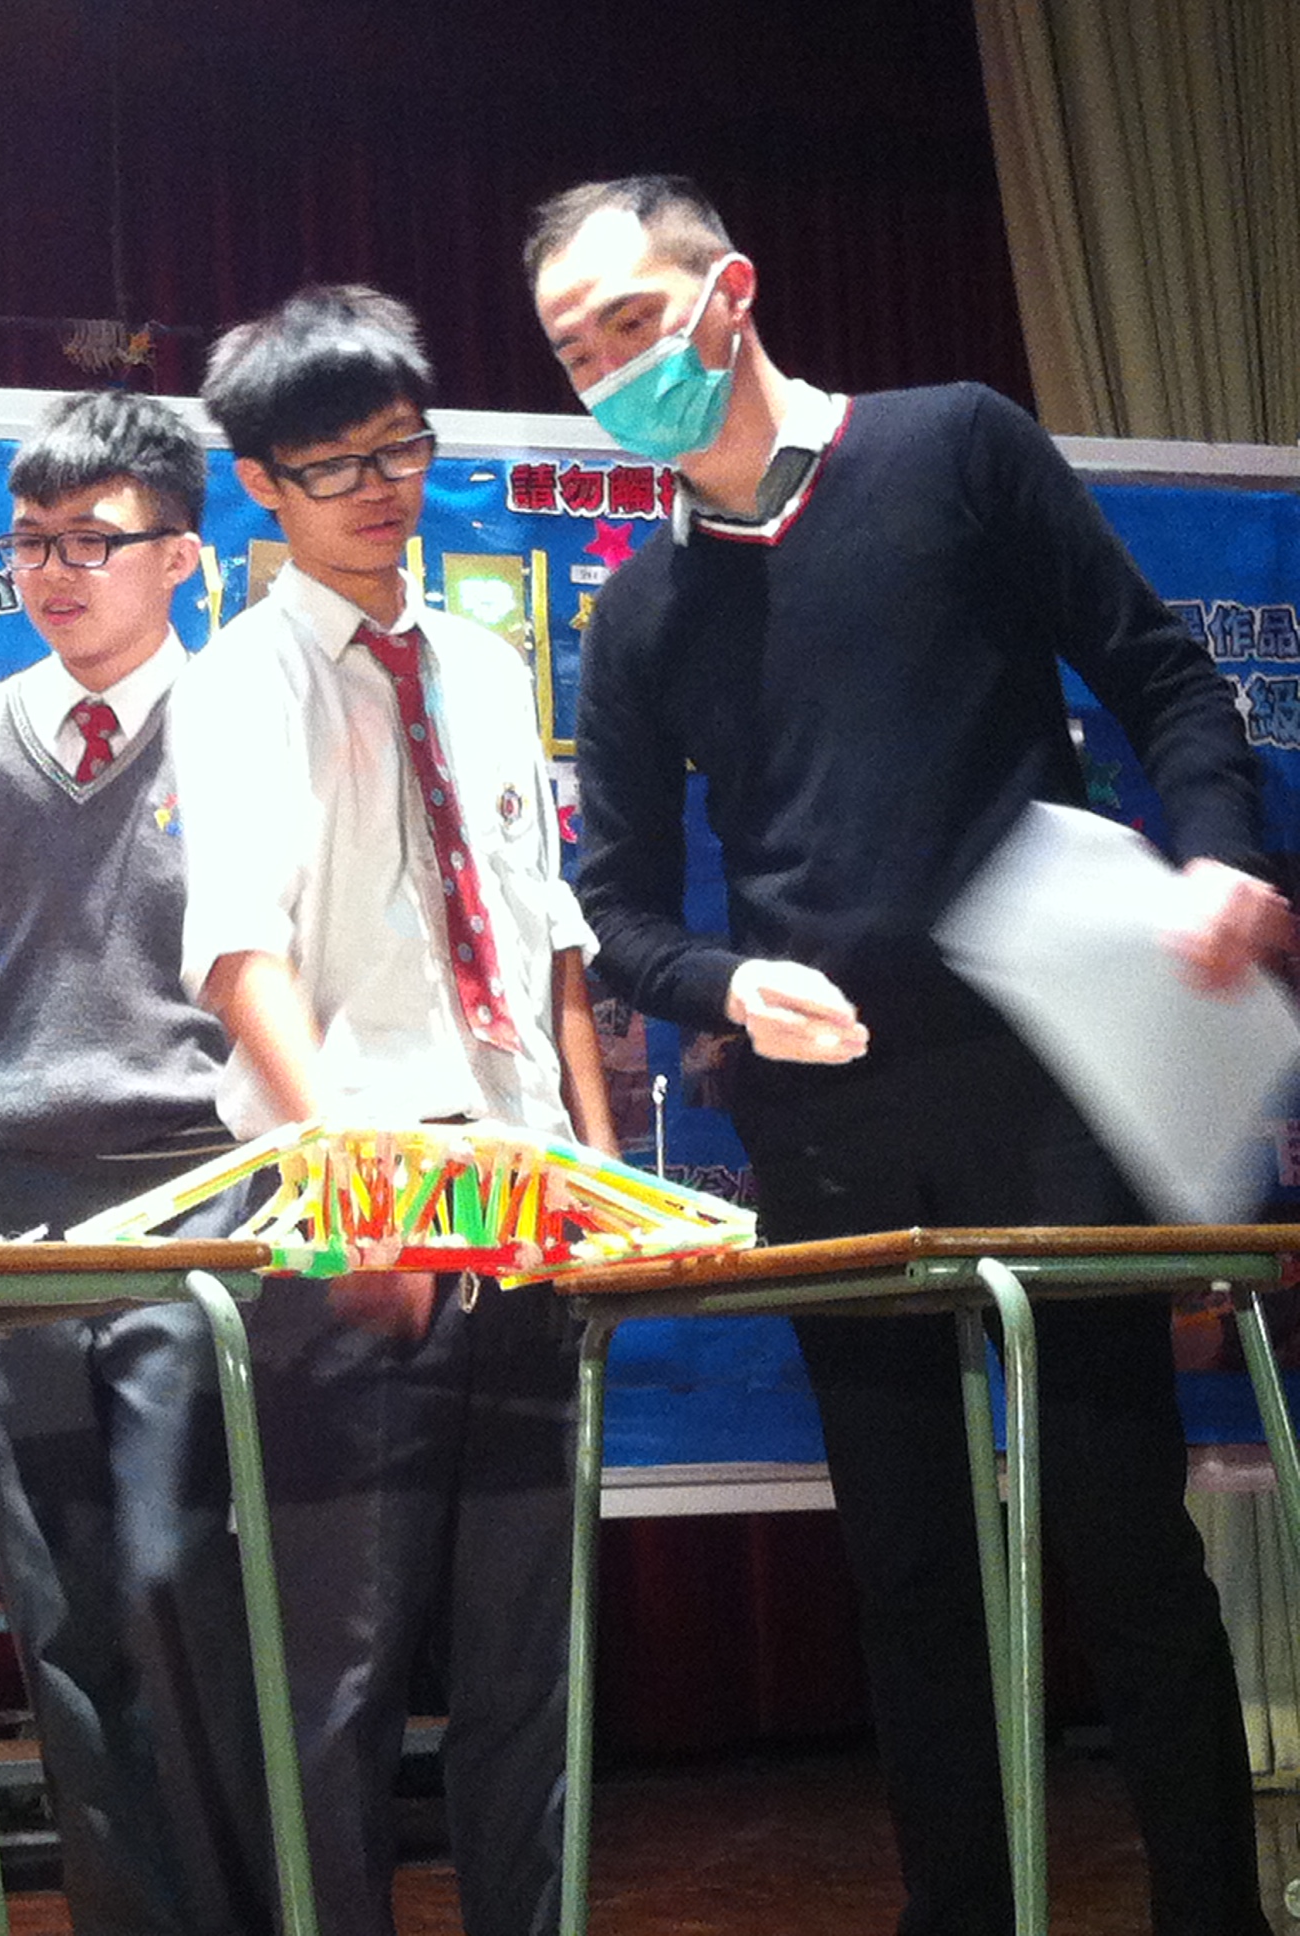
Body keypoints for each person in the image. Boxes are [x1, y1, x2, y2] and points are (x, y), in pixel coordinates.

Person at [527, 173, 1286, 1936]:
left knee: (1124, 1534)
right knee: (908, 1568)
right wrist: (729, 985)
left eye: (634, 325)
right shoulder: (639, 616)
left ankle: (1213, 1914)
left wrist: (1221, 858)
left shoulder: (954, 448)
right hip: (825, 1120)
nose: (615, 373)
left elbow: (1166, 679)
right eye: (577, 355)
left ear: (730, 292)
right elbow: (614, 906)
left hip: (1050, 1078)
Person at [172, 283, 617, 1936]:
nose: (380, 487)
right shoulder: (242, 682)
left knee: (532, 1667)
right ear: (263, 485)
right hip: (350, 1187)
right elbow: (239, 957)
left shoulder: (487, 667)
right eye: (335, 463)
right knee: (338, 1672)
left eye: (403, 448)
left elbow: (548, 932)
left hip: (522, 1188)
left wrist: (601, 1174)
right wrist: (353, 1177)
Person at [0, 389, 273, 1935]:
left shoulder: (244, 722)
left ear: (180, 553)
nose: (56, 572)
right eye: (32, 542)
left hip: (203, 1198)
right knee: (59, 1617)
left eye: (92, 541)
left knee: (189, 1586)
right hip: (18, 1218)